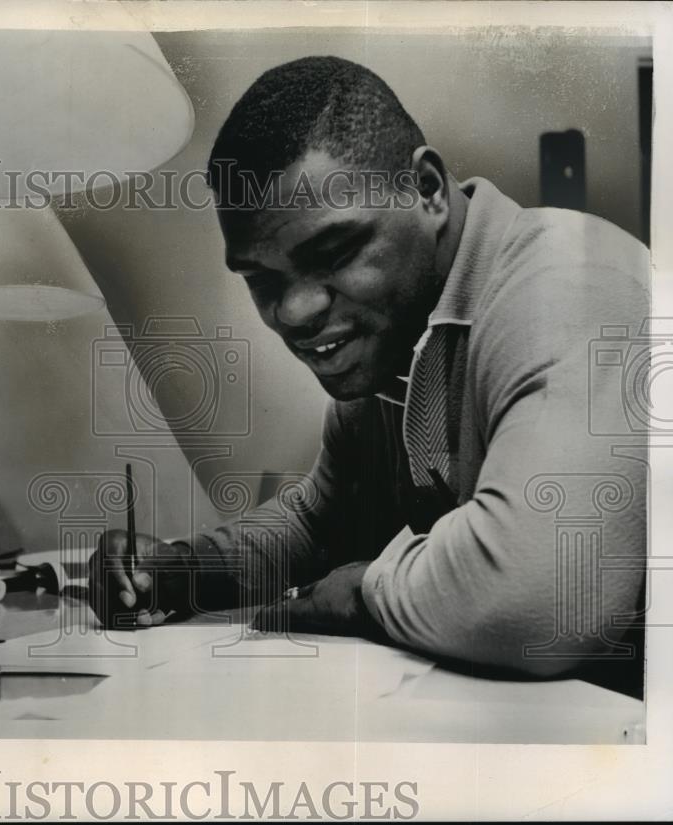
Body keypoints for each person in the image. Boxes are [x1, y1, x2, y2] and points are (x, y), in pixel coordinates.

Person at [88, 56, 648, 689]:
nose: (295, 311)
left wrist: (361, 593)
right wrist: (177, 571)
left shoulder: (571, 283)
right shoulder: (394, 349)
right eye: (263, 279)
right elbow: (317, 522)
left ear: (428, 191)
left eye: (335, 252)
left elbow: (542, 597)